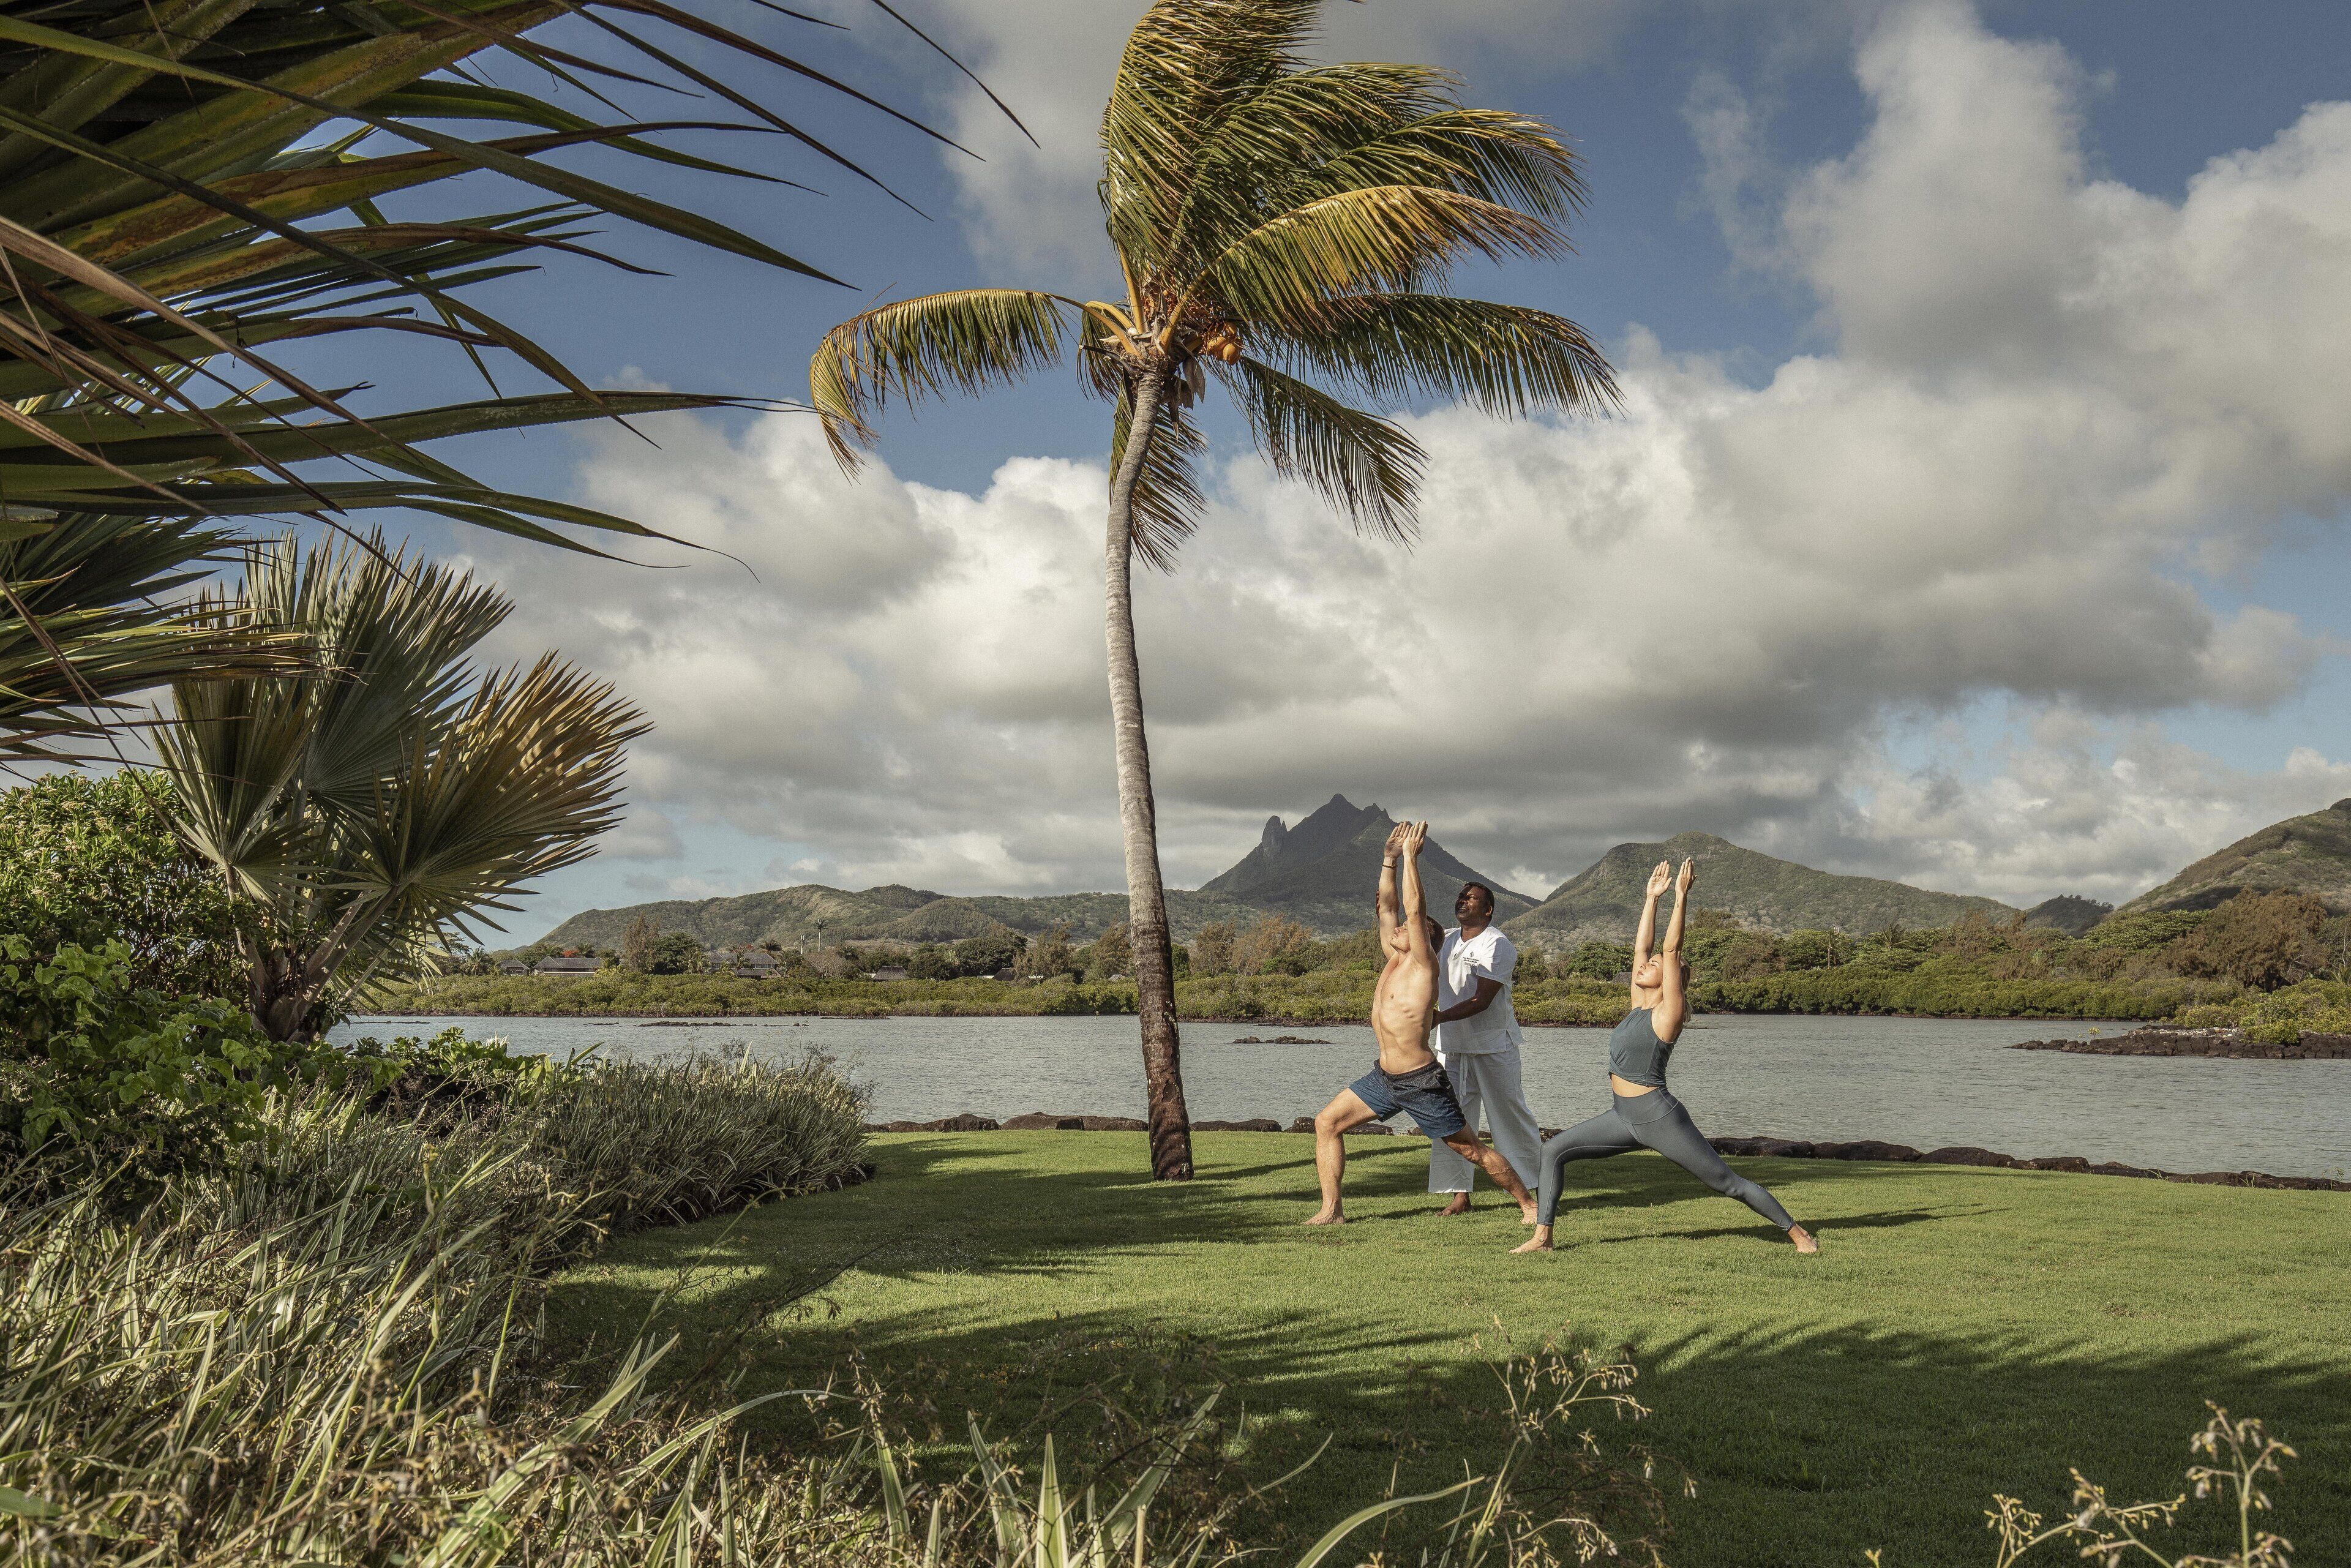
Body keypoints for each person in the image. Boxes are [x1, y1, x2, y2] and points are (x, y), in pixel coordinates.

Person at [1512, 857, 1817, 1254]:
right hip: (1623, 1116)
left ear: (1672, 978)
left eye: (1655, 966)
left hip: (1659, 1117)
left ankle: (1798, 1234)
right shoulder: (1640, 1004)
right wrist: (1650, 899)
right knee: (1553, 1150)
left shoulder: (1668, 1012)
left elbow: (1670, 949)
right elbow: (1643, 948)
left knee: (1726, 1182)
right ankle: (1543, 1237)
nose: (1645, 965)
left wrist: (1680, 896)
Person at [1306, 822, 1537, 1226]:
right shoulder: (1393, 957)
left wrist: (1413, 857)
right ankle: (1332, 1209)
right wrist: (1389, 858)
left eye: (1405, 929)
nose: (1394, 927)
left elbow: (1413, 911)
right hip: (1385, 1078)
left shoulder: (1421, 963)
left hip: (1420, 1079)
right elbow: (1389, 906)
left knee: (1472, 1149)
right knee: (1327, 1122)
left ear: (1420, 939)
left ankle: (1530, 1204)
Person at [1427, 881, 1542, 1214]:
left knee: (1509, 1116)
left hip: (1493, 1047)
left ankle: (1536, 1189)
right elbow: (1420, 929)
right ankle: (1460, 1195)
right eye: (1461, 896)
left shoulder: (1498, 945)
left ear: (1488, 910)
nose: (1463, 900)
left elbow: (1482, 1000)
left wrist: (1439, 1017)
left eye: (1471, 897)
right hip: (1451, 1048)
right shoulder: (1446, 940)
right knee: (1453, 1121)